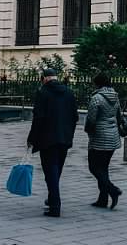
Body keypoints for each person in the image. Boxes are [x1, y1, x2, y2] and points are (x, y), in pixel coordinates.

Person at [26, 68, 78, 218]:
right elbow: (74, 117)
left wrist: (31, 138)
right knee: (56, 170)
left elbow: (38, 118)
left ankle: (55, 205)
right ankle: (51, 199)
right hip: (64, 138)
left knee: (50, 171)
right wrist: (69, 135)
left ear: (44, 78)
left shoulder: (43, 93)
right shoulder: (68, 92)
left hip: (47, 139)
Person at [84, 73, 123, 210]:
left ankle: (113, 190)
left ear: (97, 84)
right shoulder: (115, 97)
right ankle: (102, 199)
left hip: (99, 137)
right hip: (113, 136)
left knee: (93, 167)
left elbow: (91, 119)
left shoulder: (96, 98)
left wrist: (88, 131)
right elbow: (119, 117)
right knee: (103, 168)